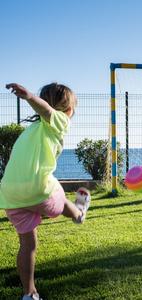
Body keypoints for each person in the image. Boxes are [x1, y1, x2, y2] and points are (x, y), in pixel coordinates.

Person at [0, 83, 91, 300]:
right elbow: (48, 111)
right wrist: (30, 96)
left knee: (27, 244)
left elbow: (44, 112)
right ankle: (79, 214)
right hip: (38, 190)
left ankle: (29, 294)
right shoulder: (60, 121)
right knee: (56, 192)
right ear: (68, 110)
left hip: (10, 194)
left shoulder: (30, 131)